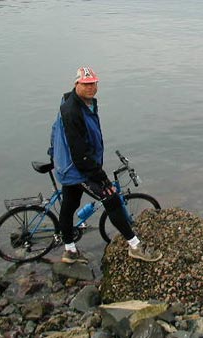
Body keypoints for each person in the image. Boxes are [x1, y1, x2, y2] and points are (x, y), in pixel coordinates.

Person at [49, 66, 162, 264]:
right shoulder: (72, 110)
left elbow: (59, 133)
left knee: (69, 205)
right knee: (112, 199)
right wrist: (101, 177)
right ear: (77, 84)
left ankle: (70, 251)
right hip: (76, 169)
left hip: (68, 165)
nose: (91, 87)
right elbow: (80, 153)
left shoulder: (82, 102)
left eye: (94, 83)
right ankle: (135, 246)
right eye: (86, 84)